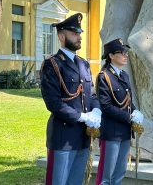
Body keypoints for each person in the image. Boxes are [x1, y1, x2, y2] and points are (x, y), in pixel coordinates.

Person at [40, 13, 102, 185]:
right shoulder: (52, 64)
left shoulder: (84, 64)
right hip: (63, 137)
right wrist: (81, 116)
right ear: (61, 36)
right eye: (74, 33)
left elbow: (92, 94)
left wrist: (96, 109)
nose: (79, 37)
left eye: (79, 33)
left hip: (83, 137)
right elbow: (53, 103)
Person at [95, 38, 144, 185]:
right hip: (111, 132)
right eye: (121, 52)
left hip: (124, 131)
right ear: (111, 56)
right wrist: (129, 117)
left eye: (126, 52)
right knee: (106, 175)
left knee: (119, 173)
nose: (125, 55)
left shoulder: (124, 75)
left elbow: (128, 101)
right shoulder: (104, 76)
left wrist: (136, 112)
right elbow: (106, 106)